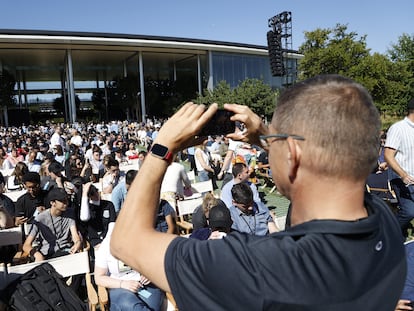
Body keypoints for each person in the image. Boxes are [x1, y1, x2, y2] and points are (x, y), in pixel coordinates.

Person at [111, 75, 406, 310]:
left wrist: (162, 146)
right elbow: (325, 177)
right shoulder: (386, 225)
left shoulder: (259, 269)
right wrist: (269, 136)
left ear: (292, 154)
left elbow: (126, 242)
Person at [94, 224, 165, 311]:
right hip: (119, 287)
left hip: (145, 286)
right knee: (132, 307)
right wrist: (123, 283)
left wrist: (150, 273)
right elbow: (99, 277)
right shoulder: (106, 246)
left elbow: (157, 263)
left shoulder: (141, 239)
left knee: (153, 306)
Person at [22, 187, 82, 261]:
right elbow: (26, 245)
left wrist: (77, 242)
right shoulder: (40, 218)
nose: (66, 203)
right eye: (63, 201)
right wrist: (36, 254)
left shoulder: (70, 213)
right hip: (46, 253)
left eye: (67, 200)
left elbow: (75, 234)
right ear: (53, 203)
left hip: (66, 250)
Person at [384, 98, 414, 236]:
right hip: (402, 179)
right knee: (409, 212)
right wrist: (403, 175)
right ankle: (388, 232)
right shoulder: (398, 128)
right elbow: (388, 155)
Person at [79, 182, 116, 248]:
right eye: (92, 194)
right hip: (95, 241)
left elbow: (112, 224)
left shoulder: (108, 204)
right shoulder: (87, 208)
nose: (96, 194)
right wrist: (84, 194)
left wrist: (106, 241)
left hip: (109, 239)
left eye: (96, 191)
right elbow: (84, 218)